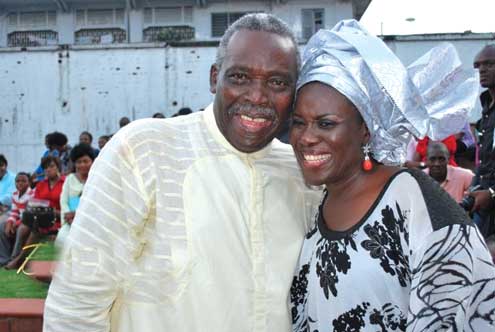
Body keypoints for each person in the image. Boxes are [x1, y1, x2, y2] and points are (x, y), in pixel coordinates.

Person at [44, 13, 320, 332]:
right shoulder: (144, 150)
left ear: (294, 92)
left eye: (277, 82)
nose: (257, 97)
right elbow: (75, 305)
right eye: (240, 77)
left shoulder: (302, 173)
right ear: (215, 77)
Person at [289, 20, 494, 332]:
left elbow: (464, 303)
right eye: (298, 122)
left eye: (325, 123)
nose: (306, 137)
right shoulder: (317, 204)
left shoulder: (411, 199)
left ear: (365, 130)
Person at [6, 156, 65, 269]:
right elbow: (35, 203)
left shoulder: (65, 182)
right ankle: (16, 258)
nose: (48, 170)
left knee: (35, 230)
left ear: (58, 167)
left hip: (59, 218)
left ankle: (19, 260)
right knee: (24, 228)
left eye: (51, 166)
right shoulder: (41, 184)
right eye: (45, 168)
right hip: (42, 218)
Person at [469, 44, 495, 238]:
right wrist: (474, 188)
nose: (482, 70)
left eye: (489, 64)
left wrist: (492, 193)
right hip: (485, 206)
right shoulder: (486, 108)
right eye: (478, 66)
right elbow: (485, 162)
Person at [55, 144, 95, 248]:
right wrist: (69, 217)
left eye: (86, 161)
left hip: (91, 221)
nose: (82, 165)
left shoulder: (96, 179)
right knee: (62, 239)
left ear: (92, 161)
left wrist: (78, 215)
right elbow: (63, 201)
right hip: (70, 221)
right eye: (79, 162)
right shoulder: (69, 179)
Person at [0, 172, 33, 266]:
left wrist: (15, 224)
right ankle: (4, 258)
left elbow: (27, 214)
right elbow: (14, 211)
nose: (20, 183)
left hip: (29, 220)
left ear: (29, 182)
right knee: (2, 227)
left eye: (23, 181)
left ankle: (14, 259)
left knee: (20, 230)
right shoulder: (15, 194)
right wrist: (9, 223)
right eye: (17, 181)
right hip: (20, 219)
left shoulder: (32, 194)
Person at [0, 154, 16, 222]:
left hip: (9, 210)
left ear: (6, 166)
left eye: (1, 165)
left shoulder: (14, 178)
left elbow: (11, 196)